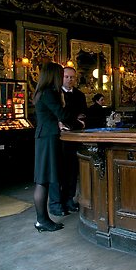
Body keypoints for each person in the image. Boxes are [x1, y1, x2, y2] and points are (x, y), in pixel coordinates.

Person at [32, 62, 70, 232]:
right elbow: (62, 115)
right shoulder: (49, 92)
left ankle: (43, 219)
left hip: (44, 137)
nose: (62, 78)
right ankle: (42, 220)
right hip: (47, 138)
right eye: (61, 74)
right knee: (43, 180)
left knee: (43, 179)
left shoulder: (42, 92)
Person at [49, 66, 87, 216]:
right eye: (66, 77)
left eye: (72, 77)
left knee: (72, 170)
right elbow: (57, 115)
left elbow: (83, 114)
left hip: (75, 137)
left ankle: (69, 199)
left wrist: (74, 121)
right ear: (61, 77)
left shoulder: (80, 95)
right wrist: (70, 120)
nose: (69, 79)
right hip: (58, 139)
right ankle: (57, 202)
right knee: (58, 171)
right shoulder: (55, 93)